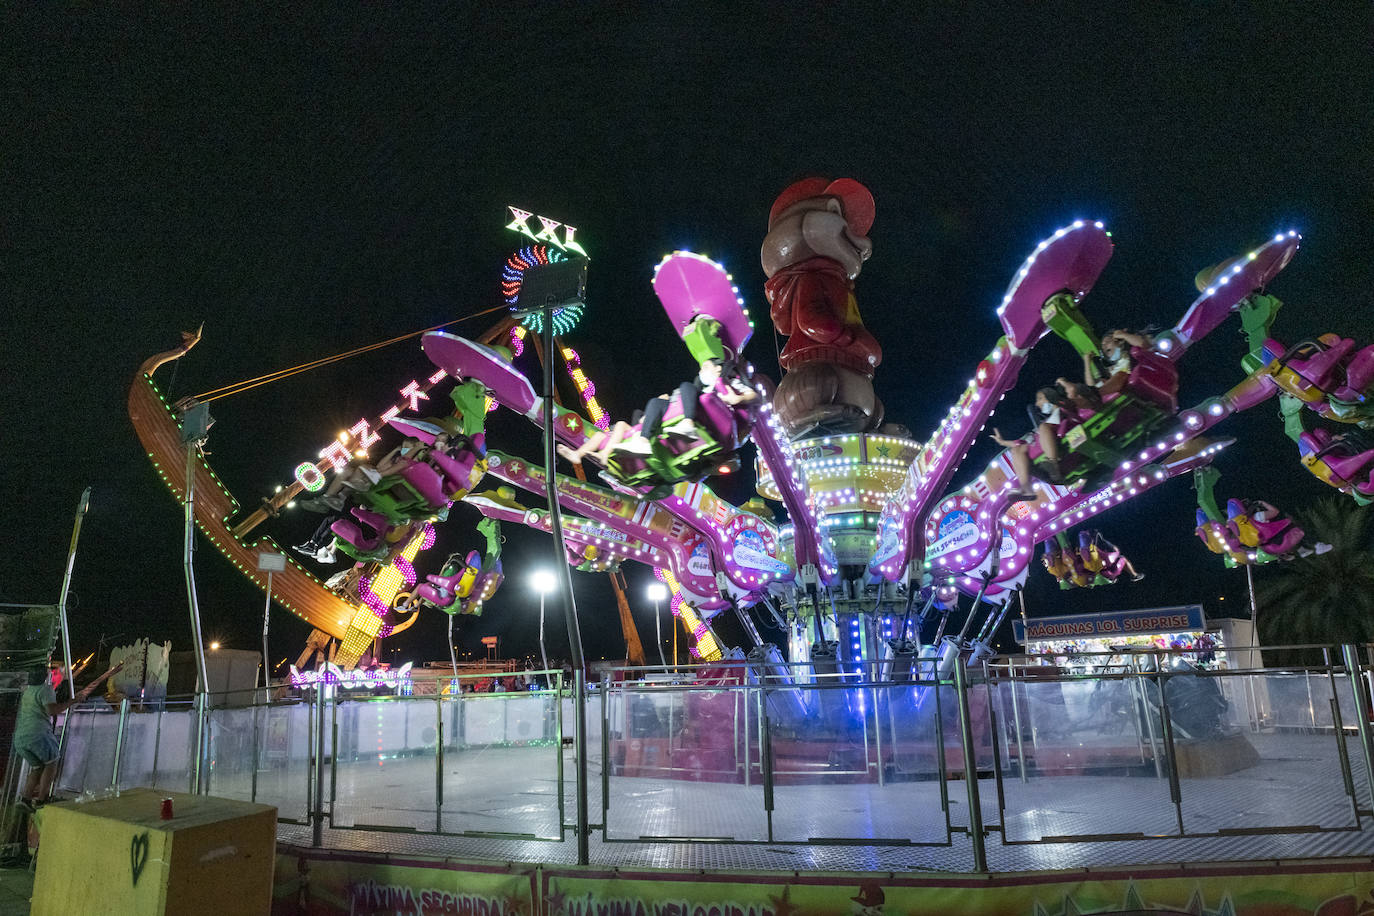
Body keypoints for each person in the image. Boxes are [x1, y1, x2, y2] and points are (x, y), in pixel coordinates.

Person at [16, 660, 124, 808]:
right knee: (51, 763)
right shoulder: (45, 690)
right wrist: (72, 702)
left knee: (37, 767)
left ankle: (25, 799)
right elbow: (52, 710)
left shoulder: (28, 691)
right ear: (44, 676)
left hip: (21, 737)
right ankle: (42, 799)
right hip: (38, 734)